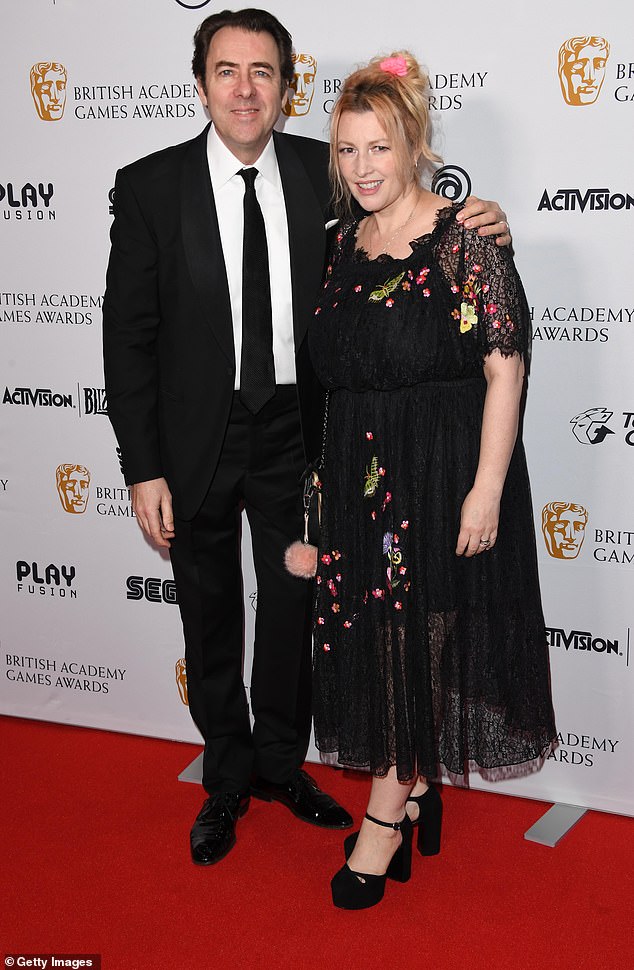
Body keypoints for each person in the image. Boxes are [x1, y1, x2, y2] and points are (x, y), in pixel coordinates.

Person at [103, 9, 510, 868]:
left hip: (305, 437)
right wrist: (143, 469)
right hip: (196, 445)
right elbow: (127, 339)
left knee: (300, 608)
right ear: (201, 81)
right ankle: (226, 778)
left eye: (262, 71)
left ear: (286, 86)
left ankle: (285, 766)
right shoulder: (147, 187)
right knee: (209, 612)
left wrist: (480, 214)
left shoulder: (321, 172)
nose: (245, 88)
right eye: (227, 70)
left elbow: (400, 200)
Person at [308, 52, 557, 909]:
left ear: (415, 143)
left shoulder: (466, 238)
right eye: (347, 150)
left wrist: (486, 489)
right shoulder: (340, 241)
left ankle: (389, 800)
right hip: (363, 473)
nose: (364, 167)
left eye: (380, 147)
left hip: (445, 468)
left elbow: (506, 369)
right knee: (378, 636)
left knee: (425, 634)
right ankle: (413, 788)